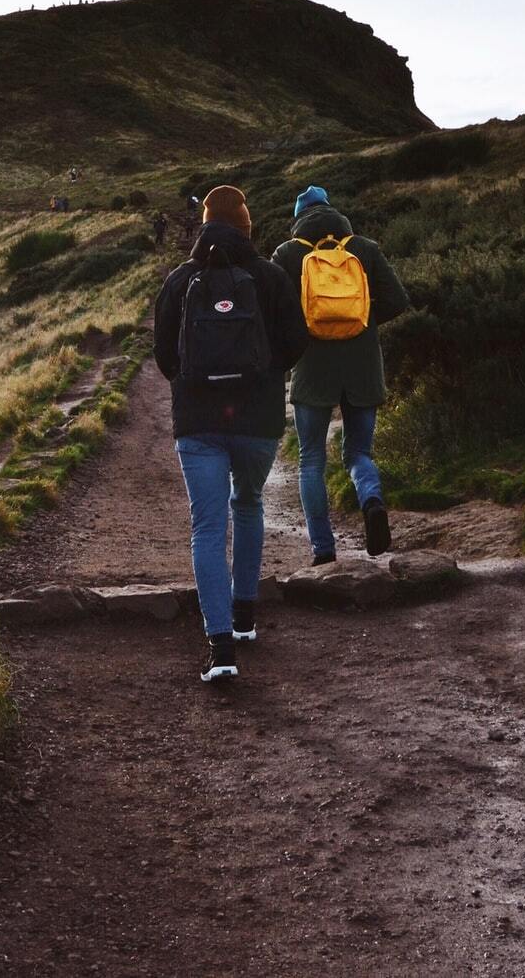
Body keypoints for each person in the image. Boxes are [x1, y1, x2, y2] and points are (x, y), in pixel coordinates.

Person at [155, 185, 307, 682]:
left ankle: (221, 650)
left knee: (206, 527)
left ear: (203, 226)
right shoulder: (270, 277)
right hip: (258, 421)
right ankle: (245, 618)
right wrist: (262, 377)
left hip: (198, 423)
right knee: (248, 505)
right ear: (247, 227)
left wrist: (195, 381)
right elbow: (295, 342)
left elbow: (164, 357)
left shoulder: (180, 280)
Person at [272, 186, 410, 565]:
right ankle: (371, 501)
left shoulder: (287, 254)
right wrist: (361, 323)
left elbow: (274, 313)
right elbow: (398, 300)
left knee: (312, 459)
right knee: (358, 452)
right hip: (363, 366)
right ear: (334, 211)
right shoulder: (364, 248)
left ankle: (323, 551)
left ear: (299, 217)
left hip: (312, 368)